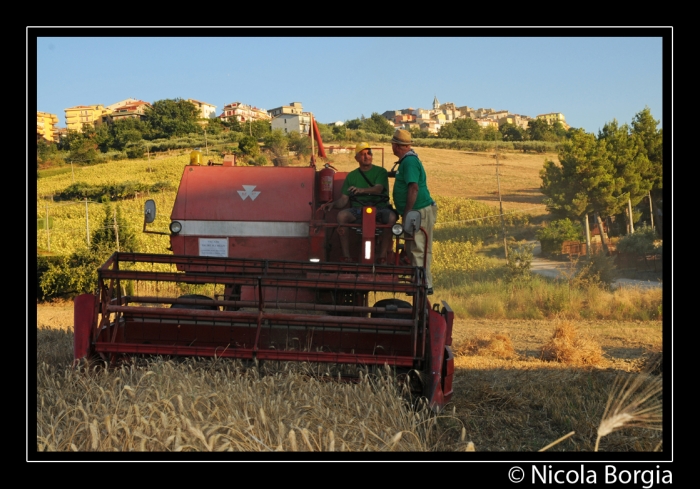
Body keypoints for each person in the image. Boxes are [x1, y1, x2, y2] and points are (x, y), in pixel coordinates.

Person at [320, 142, 397, 263]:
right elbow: (343, 200)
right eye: (362, 154)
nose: (366, 156)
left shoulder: (380, 172)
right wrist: (333, 204)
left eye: (369, 153)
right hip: (358, 210)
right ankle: (346, 257)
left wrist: (360, 190)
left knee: (391, 217)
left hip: (379, 208)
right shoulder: (352, 176)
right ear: (356, 158)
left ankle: (382, 257)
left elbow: (378, 189)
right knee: (342, 216)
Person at [390, 129, 437, 294]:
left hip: (418, 212)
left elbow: (413, 187)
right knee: (416, 247)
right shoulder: (408, 161)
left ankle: (422, 285)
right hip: (418, 211)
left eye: (392, 144)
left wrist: (407, 214)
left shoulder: (409, 162)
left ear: (396, 146)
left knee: (418, 247)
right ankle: (421, 282)